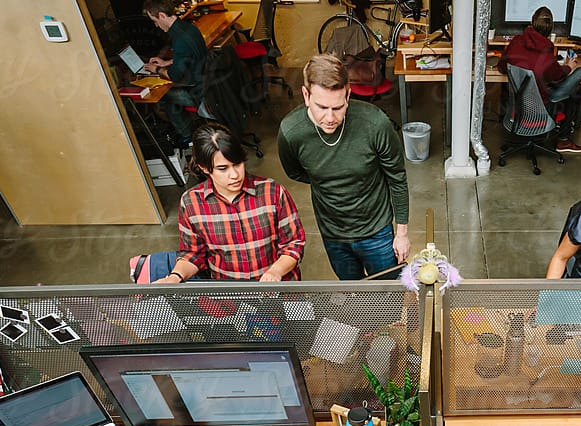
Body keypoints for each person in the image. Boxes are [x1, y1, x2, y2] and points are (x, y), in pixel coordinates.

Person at [277, 54, 410, 280]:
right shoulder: (291, 132)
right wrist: (329, 179)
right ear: (306, 95)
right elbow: (295, 171)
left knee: (390, 296)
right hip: (333, 234)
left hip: (377, 230)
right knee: (351, 292)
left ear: (348, 94)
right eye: (322, 107)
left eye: (338, 107)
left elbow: (397, 177)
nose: (330, 117)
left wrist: (402, 233)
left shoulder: (375, 123)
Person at [156, 121, 305, 283]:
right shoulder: (191, 203)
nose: (234, 175)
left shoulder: (273, 192)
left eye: (237, 164)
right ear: (204, 168)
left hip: (280, 289)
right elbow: (193, 254)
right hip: (230, 297)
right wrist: (174, 277)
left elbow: (293, 244)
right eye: (223, 168)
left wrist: (276, 271)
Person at [498, 6, 581, 155]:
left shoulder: (516, 41)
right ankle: (563, 139)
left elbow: (502, 67)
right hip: (539, 113)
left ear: (532, 23)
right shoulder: (546, 53)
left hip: (516, 110)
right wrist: (568, 67)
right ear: (550, 29)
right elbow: (557, 75)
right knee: (574, 90)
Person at [142, 0, 208, 145]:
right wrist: (167, 62)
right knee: (172, 101)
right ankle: (187, 133)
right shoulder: (189, 28)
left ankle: (187, 136)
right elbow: (188, 55)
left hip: (201, 93)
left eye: (155, 21)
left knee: (164, 97)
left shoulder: (180, 40)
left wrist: (157, 69)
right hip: (208, 81)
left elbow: (174, 75)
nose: (156, 25)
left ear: (161, 15)